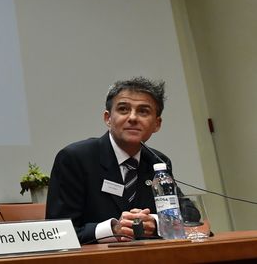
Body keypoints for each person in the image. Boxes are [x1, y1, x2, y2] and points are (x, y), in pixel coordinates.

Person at [46, 77, 192, 243]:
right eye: (123, 109)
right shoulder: (75, 158)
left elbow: (189, 213)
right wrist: (112, 229)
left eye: (143, 111)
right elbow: (57, 232)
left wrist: (157, 222)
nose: (133, 118)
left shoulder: (157, 161)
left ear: (157, 124)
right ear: (108, 118)